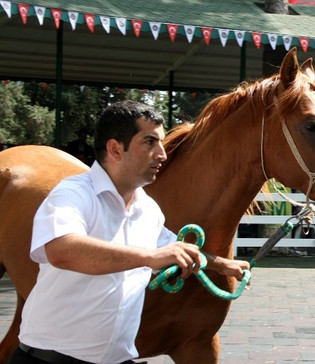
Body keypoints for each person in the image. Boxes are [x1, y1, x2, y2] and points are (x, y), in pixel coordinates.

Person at [11, 101, 251, 364]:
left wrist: (222, 265)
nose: (162, 154)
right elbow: (61, 250)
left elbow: (174, 249)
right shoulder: (73, 193)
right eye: (149, 142)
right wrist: (149, 257)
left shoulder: (148, 210)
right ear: (115, 149)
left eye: (160, 142)